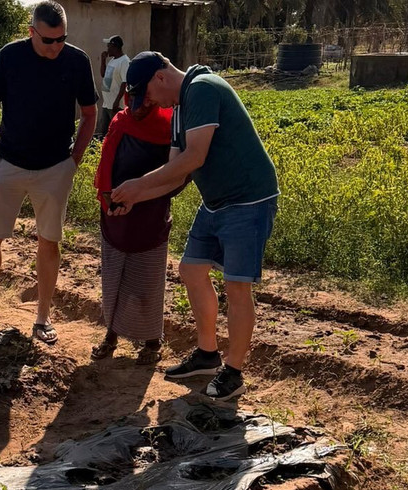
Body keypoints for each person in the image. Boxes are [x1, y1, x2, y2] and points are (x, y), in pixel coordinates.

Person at [110, 52, 279, 401]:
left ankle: (233, 372)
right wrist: (136, 198)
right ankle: (207, 354)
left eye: (149, 95)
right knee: (191, 270)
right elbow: (177, 173)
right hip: (217, 201)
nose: (150, 103)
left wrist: (139, 184)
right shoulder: (180, 107)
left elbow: (194, 157)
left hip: (248, 200)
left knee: (237, 287)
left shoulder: (201, 88)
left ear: (160, 77)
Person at [0, 0, 98, 344]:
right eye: (48, 40)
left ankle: (43, 317)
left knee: (49, 242)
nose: (56, 47)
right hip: (8, 163)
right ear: (31, 32)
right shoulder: (10, 56)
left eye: (61, 39)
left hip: (55, 168)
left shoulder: (77, 61)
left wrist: (74, 161)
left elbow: (89, 113)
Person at [92, 97, 179, 364]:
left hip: (151, 211)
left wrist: (146, 195)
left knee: (148, 277)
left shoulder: (170, 124)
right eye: (136, 100)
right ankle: (111, 336)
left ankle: (152, 342)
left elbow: (177, 172)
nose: (140, 107)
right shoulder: (121, 121)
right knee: (114, 275)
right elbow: (106, 163)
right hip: (116, 211)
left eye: (147, 100)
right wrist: (107, 199)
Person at [95, 35, 129, 139]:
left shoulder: (124, 61)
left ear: (115, 47)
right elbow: (103, 74)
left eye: (108, 46)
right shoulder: (113, 60)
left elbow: (125, 82)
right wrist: (103, 60)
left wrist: (117, 101)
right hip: (107, 103)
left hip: (115, 105)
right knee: (104, 132)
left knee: (114, 132)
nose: (107, 49)